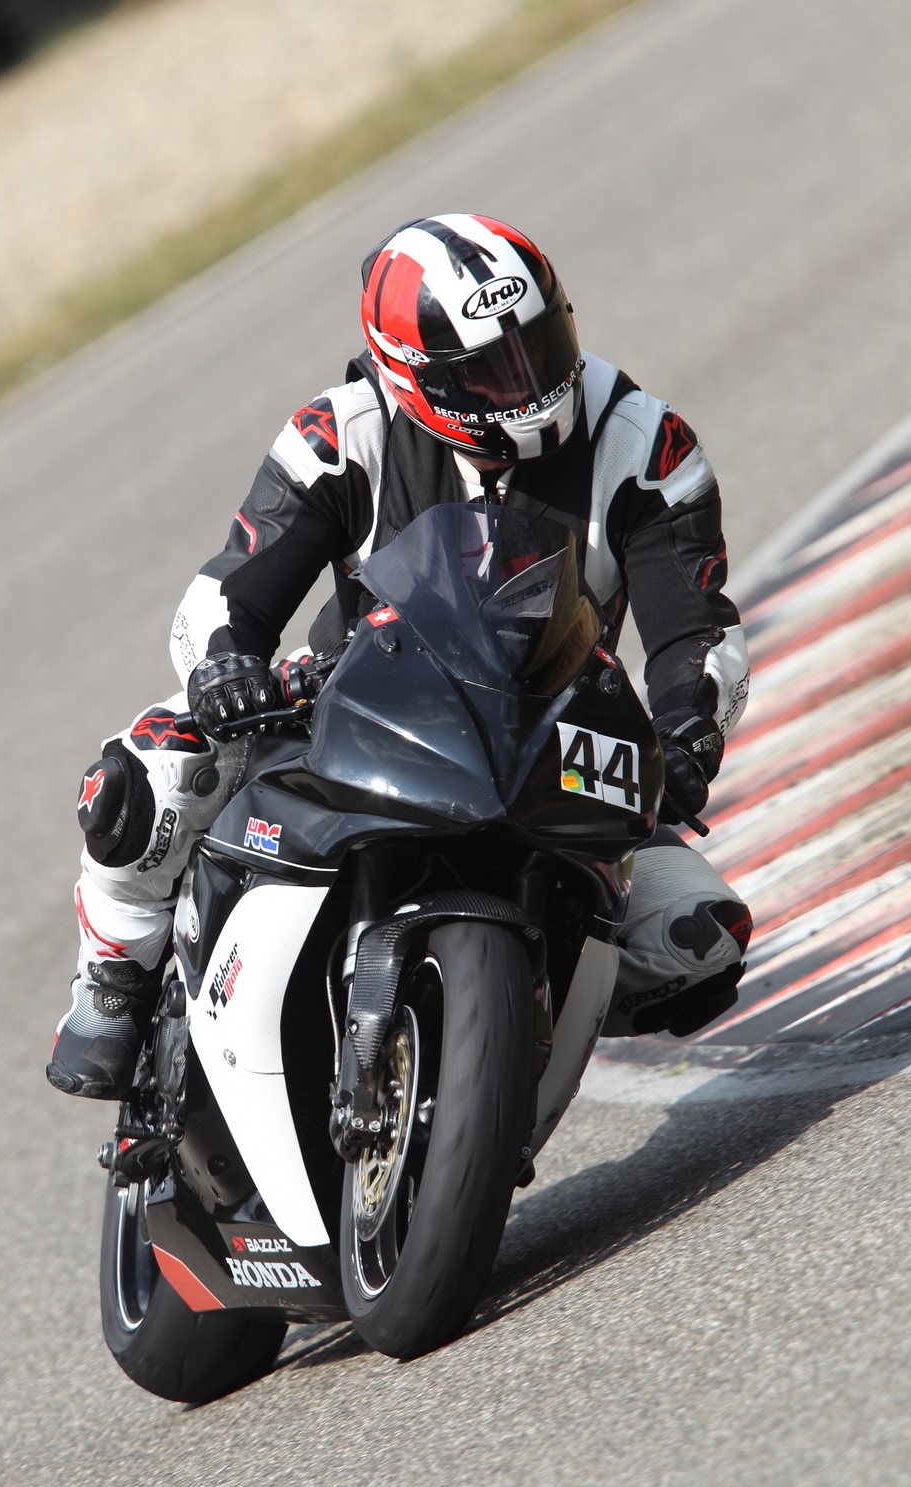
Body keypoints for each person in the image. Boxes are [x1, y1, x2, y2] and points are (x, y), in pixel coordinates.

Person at [47, 212, 752, 1101]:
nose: (527, 388)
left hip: (548, 731)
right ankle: (113, 977)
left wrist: (686, 737)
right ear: (411, 374)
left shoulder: (646, 447)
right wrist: (225, 666)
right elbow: (229, 591)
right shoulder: (341, 433)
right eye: (489, 373)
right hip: (350, 700)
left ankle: (502, 1031)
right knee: (146, 773)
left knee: (698, 941)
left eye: (539, 348)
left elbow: (696, 631)